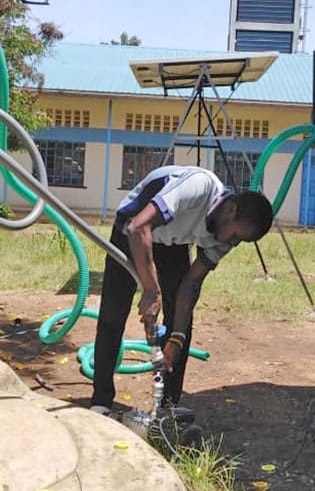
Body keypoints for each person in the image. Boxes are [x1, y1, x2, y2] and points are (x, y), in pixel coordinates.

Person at [90, 165, 274, 415]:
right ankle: (101, 401)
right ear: (230, 210)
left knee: (181, 319)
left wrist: (176, 336)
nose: (234, 243)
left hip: (173, 242)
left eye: (240, 240)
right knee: (114, 312)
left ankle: (167, 407)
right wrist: (151, 290)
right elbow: (137, 228)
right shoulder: (198, 186)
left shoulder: (225, 237)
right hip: (132, 231)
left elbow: (191, 283)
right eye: (236, 235)